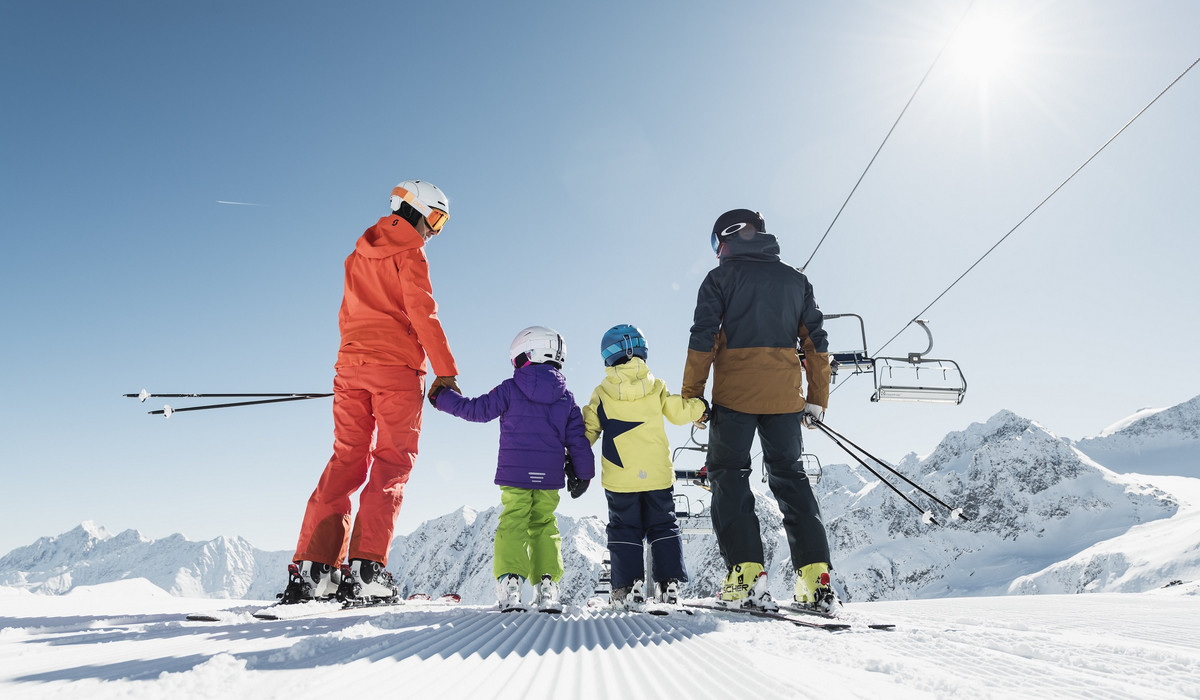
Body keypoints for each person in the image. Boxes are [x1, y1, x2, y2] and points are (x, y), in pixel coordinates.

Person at [282, 180, 461, 604]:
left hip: (349, 367)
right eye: (436, 218)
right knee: (392, 462)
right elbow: (422, 312)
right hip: (396, 370)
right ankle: (366, 569)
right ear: (415, 210)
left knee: (346, 458)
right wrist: (445, 371)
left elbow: (348, 314)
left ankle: (316, 568)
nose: (435, 231)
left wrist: (353, 361)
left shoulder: (357, 253)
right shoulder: (410, 251)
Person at [681, 208, 836, 613]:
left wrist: (693, 396)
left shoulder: (718, 279)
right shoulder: (796, 280)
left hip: (734, 398)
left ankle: (746, 577)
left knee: (728, 476)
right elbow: (816, 342)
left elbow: (703, 338)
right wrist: (817, 397)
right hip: (786, 398)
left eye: (717, 244)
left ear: (727, 238)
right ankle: (814, 580)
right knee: (790, 477)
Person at [429, 325, 595, 612]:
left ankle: (511, 583)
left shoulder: (510, 388)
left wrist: (441, 398)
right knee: (544, 525)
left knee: (514, 522)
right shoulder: (566, 398)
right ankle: (547, 585)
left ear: (528, 354)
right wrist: (584, 474)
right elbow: (577, 440)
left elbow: (476, 410)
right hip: (549, 477)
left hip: (515, 475)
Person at [582, 324, 708, 609]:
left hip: (620, 476)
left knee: (624, 528)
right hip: (657, 475)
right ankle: (668, 584)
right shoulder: (656, 386)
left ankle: (628, 587)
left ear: (608, 357)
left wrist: (570, 453)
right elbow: (677, 412)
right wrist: (700, 408)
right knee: (663, 525)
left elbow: (590, 429)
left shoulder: (602, 393)